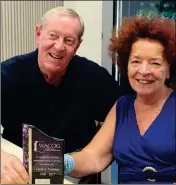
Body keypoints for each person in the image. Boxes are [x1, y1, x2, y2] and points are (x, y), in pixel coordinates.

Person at [1, 7, 133, 184]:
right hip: (19, 171)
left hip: (74, 172)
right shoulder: (8, 74)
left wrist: (85, 158)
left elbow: (124, 119)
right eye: (53, 36)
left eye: (69, 40)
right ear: (38, 34)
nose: (59, 46)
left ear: (77, 45)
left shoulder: (94, 77)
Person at [62, 16, 176, 183]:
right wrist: (61, 162)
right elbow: (94, 157)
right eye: (136, 61)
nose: (144, 71)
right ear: (125, 65)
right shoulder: (122, 106)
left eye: (155, 63)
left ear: (169, 70)